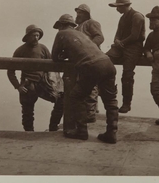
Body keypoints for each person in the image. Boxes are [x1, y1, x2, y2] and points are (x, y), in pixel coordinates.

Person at [51, 14, 119, 144]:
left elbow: (55, 57)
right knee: (110, 101)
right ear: (72, 25)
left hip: (91, 67)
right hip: (107, 63)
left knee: (76, 96)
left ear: (61, 25)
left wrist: (65, 54)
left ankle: (81, 131)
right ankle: (112, 133)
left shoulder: (61, 34)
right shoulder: (81, 34)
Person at [7, 25, 64, 132]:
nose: (36, 38)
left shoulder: (43, 48)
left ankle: (53, 127)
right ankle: (29, 133)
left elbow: (52, 65)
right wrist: (17, 86)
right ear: (27, 36)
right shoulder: (20, 51)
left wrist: (54, 83)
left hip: (43, 83)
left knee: (61, 100)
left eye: (38, 35)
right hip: (28, 85)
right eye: (33, 35)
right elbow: (10, 71)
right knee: (27, 111)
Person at [106, 0, 145, 113]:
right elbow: (117, 34)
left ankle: (126, 103)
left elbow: (135, 36)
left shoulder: (137, 16)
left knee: (127, 75)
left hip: (133, 48)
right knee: (104, 62)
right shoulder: (122, 18)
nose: (117, 9)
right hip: (120, 47)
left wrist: (121, 42)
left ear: (124, 6)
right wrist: (117, 41)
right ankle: (109, 94)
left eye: (118, 7)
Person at [74, 3, 104, 122]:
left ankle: (91, 113)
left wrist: (88, 48)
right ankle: (87, 112)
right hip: (81, 61)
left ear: (86, 14)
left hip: (92, 58)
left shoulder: (92, 23)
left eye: (80, 13)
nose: (78, 15)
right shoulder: (76, 28)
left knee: (92, 86)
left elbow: (99, 37)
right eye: (77, 12)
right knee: (83, 86)